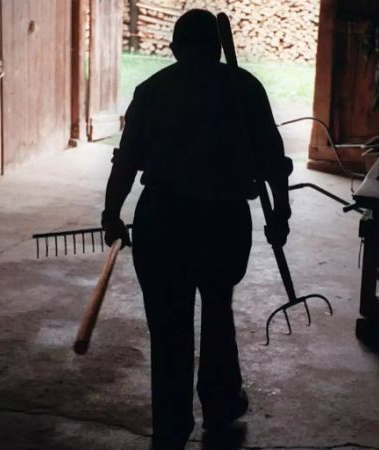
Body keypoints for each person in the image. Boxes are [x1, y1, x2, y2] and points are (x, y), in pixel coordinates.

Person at [100, 9, 291, 449]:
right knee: (218, 311)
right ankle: (222, 404)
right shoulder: (244, 89)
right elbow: (273, 162)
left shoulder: (152, 91)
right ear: (218, 48)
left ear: (174, 49)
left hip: (163, 222)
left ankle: (171, 425)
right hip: (223, 223)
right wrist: (280, 215)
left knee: (169, 329)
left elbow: (126, 161)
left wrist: (112, 214)